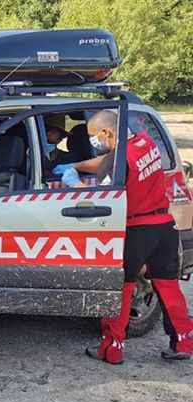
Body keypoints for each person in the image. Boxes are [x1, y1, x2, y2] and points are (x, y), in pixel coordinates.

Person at [55, 110, 193, 364]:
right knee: (169, 287)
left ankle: (112, 348)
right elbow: (111, 159)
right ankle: (183, 341)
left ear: (106, 132)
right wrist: (76, 165)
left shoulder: (115, 161)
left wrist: (74, 182)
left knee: (120, 289)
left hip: (137, 231)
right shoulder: (145, 142)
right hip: (164, 226)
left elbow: (101, 198)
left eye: (94, 137)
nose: (94, 142)